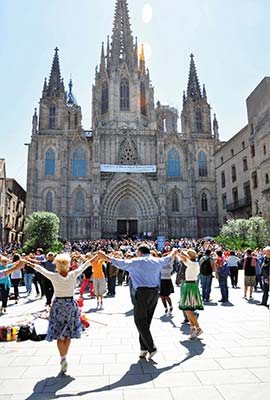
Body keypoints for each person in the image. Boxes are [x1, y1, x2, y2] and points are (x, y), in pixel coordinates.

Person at [98, 245, 178, 360]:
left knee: (139, 320)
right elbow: (168, 258)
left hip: (142, 293)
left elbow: (121, 263)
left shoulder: (136, 261)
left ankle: (151, 347)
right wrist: (174, 251)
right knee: (146, 321)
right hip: (154, 293)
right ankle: (143, 349)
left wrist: (105, 257)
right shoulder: (156, 260)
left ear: (140, 252)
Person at [25, 252, 98, 375]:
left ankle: (63, 358)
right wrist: (95, 257)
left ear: (57, 265)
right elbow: (84, 265)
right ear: (69, 264)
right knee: (68, 333)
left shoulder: (54, 276)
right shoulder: (73, 274)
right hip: (70, 305)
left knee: (59, 334)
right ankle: (65, 356)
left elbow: (40, 269)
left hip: (58, 305)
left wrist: (29, 263)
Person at [178, 249, 204, 339]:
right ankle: (193, 329)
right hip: (190, 285)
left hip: (190, 285)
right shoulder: (194, 264)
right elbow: (183, 258)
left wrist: (181, 252)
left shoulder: (192, 264)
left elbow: (183, 257)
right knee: (187, 309)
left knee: (187, 309)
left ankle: (198, 327)